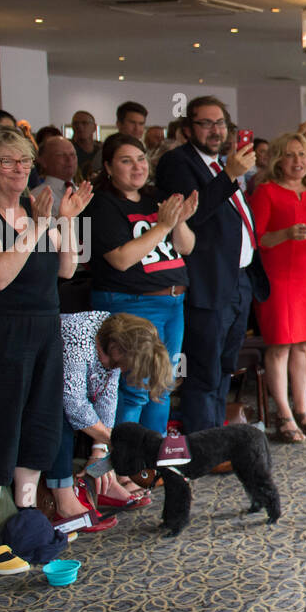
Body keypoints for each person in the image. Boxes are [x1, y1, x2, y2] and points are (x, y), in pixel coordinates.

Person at [0, 125, 92, 569]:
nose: (20, 169)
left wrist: (66, 222)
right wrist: (36, 226)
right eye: (9, 161)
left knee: (41, 427)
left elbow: (67, 269)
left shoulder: (36, 208)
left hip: (44, 326)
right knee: (1, 427)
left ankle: (26, 519)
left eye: (26, 162)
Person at [154, 95, 267, 433]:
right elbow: (193, 215)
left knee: (224, 366)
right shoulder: (178, 163)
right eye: (206, 123)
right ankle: (203, 444)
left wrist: (229, 173)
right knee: (202, 368)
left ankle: (217, 435)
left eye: (221, 123)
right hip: (208, 282)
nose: (216, 130)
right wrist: (230, 176)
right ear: (188, 128)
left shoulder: (222, 164)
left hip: (239, 279)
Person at [86, 133, 198, 433]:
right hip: (132, 304)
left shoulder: (154, 198)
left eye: (140, 159)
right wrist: (162, 225)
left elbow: (185, 247)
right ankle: (126, 461)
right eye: (126, 161)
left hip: (173, 302)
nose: (137, 167)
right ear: (108, 167)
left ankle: (152, 458)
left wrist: (180, 221)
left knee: (162, 384)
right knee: (137, 387)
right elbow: (121, 259)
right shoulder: (102, 205)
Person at [48, 311, 171, 527]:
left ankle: (104, 482)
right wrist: (114, 442)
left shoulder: (113, 337)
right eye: (123, 365)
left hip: (65, 395)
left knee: (119, 402)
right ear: (115, 349)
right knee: (60, 415)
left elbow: (107, 396)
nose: (122, 370)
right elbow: (73, 404)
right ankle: (64, 502)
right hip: (22, 393)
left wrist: (100, 452)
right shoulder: (76, 337)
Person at [249, 132, 306, 442]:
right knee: (280, 345)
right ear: (278, 161)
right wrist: (284, 234)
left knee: (305, 345)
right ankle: (283, 414)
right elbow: (256, 240)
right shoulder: (266, 191)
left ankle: (302, 409)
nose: (298, 160)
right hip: (279, 277)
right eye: (290, 155)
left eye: (302, 155)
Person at [36, 135, 78, 206]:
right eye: (60, 155)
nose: (69, 159)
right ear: (43, 161)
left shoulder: (83, 193)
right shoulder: (38, 196)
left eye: (72, 154)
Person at [70, 110, 104, 179]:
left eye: (84, 123)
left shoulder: (102, 149)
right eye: (76, 123)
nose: (79, 126)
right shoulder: (69, 150)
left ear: (94, 127)